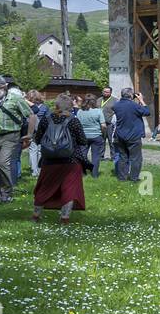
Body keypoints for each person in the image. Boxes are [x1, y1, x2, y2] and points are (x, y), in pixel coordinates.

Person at [32, 93, 90, 223]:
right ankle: (64, 218)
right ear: (70, 105)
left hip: (49, 160)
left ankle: (36, 216)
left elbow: (38, 139)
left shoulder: (46, 119)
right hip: (70, 160)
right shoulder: (73, 120)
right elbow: (82, 141)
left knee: (44, 188)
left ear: (56, 105)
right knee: (69, 189)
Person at [0, 74, 34, 203]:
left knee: (3, 163)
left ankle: (7, 192)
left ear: (2, 87)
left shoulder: (15, 99)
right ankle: (0, 192)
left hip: (10, 135)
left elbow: (31, 116)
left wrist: (29, 134)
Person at [112, 88, 149, 182]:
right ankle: (134, 178)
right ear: (131, 95)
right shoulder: (133, 105)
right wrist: (141, 100)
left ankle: (122, 178)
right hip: (133, 135)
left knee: (122, 157)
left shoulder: (116, 105)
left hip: (120, 134)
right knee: (136, 158)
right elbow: (146, 112)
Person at [76, 94, 106, 178]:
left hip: (83, 136)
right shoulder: (98, 111)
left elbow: (77, 124)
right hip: (96, 136)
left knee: (82, 155)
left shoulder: (80, 111)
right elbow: (103, 125)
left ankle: (82, 173)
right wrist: (103, 133)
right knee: (95, 156)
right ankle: (95, 174)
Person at [26, 90, 50, 179]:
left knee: (32, 150)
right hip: (42, 130)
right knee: (40, 150)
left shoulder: (27, 106)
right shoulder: (44, 107)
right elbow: (48, 119)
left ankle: (34, 170)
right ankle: (40, 170)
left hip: (31, 129)